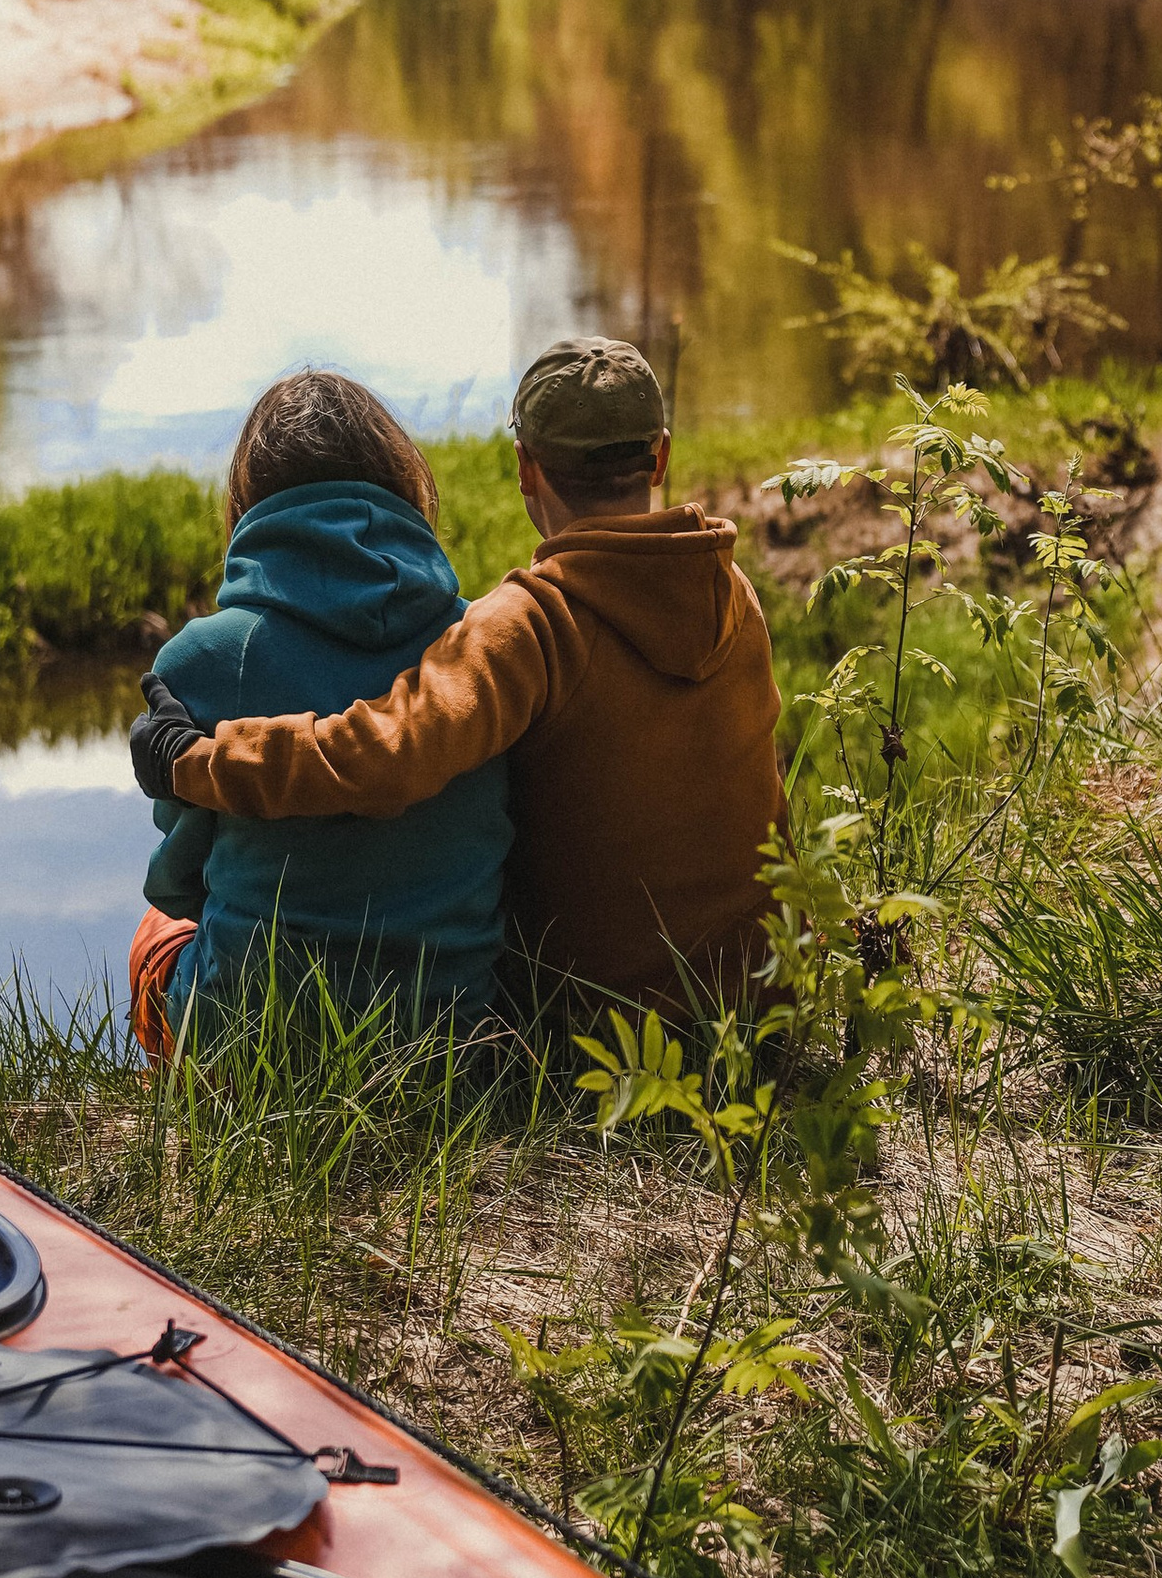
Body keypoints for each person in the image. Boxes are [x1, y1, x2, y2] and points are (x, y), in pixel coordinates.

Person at [133, 337, 783, 1016]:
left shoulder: (529, 626)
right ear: (661, 456)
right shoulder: (734, 593)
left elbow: (384, 757)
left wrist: (197, 763)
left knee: (164, 936)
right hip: (759, 1006)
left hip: (604, 1032)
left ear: (525, 468)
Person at [125, 371, 510, 1056]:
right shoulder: (479, 649)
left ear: (248, 502)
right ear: (405, 488)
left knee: (155, 932)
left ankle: (178, 1107)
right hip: (449, 1045)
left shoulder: (202, 658)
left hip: (250, 1044)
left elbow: (179, 883)